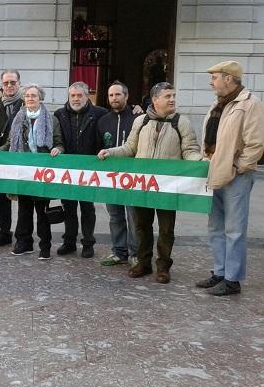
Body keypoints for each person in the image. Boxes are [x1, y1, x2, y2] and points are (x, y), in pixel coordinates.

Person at [98, 82, 202, 284]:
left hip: (168, 187)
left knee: (166, 229)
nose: (172, 99)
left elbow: (190, 150)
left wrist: (199, 161)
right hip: (143, 185)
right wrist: (110, 152)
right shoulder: (141, 121)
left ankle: (163, 266)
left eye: (173, 95)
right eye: (167, 96)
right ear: (155, 100)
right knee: (141, 226)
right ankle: (143, 263)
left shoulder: (182, 122)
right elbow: (129, 148)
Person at [195, 61, 264, 296]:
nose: (210, 82)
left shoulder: (250, 104)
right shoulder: (218, 104)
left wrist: (239, 167)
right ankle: (220, 272)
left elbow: (256, 143)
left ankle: (233, 280)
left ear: (228, 78)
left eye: (214, 77)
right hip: (215, 172)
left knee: (234, 229)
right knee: (215, 226)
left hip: (236, 176)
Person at [3, 85, 64, 259]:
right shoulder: (18, 118)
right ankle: (24, 242)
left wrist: (58, 149)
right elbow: (9, 143)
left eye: (34, 96)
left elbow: (59, 142)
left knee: (42, 211)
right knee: (24, 210)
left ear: (40, 98)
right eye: (27, 96)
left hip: (42, 173)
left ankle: (45, 246)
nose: (30, 99)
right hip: (23, 172)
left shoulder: (51, 120)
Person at [54, 81, 107, 258]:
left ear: (87, 96)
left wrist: (136, 109)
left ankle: (88, 243)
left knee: (87, 208)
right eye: (73, 95)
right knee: (68, 207)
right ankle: (69, 241)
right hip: (67, 170)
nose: (76, 99)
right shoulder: (60, 114)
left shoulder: (100, 114)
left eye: (79, 95)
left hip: (89, 171)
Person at [95, 81, 139, 267]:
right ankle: (118, 251)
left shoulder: (139, 118)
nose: (114, 98)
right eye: (111, 95)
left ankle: (136, 253)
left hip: (133, 176)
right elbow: (98, 146)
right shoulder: (103, 120)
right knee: (115, 216)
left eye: (118, 95)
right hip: (110, 176)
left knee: (134, 217)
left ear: (126, 96)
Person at [0, 69, 24, 247]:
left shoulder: (26, 102)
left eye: (13, 82)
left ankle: (23, 235)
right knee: (2, 199)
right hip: (2, 157)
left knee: (24, 199)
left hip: (23, 157)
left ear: (19, 83)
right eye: (6, 83)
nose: (9, 86)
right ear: (1, 85)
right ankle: (5, 233)